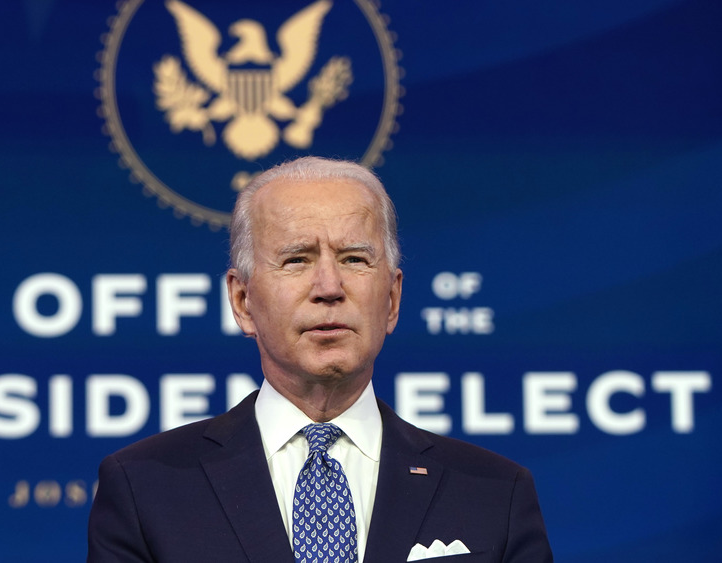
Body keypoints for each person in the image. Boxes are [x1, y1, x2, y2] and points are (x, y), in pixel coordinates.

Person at [86, 156, 553, 562]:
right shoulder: (144, 488)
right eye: (297, 260)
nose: (329, 287)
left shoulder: (495, 493)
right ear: (243, 301)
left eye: (354, 259)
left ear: (391, 300)